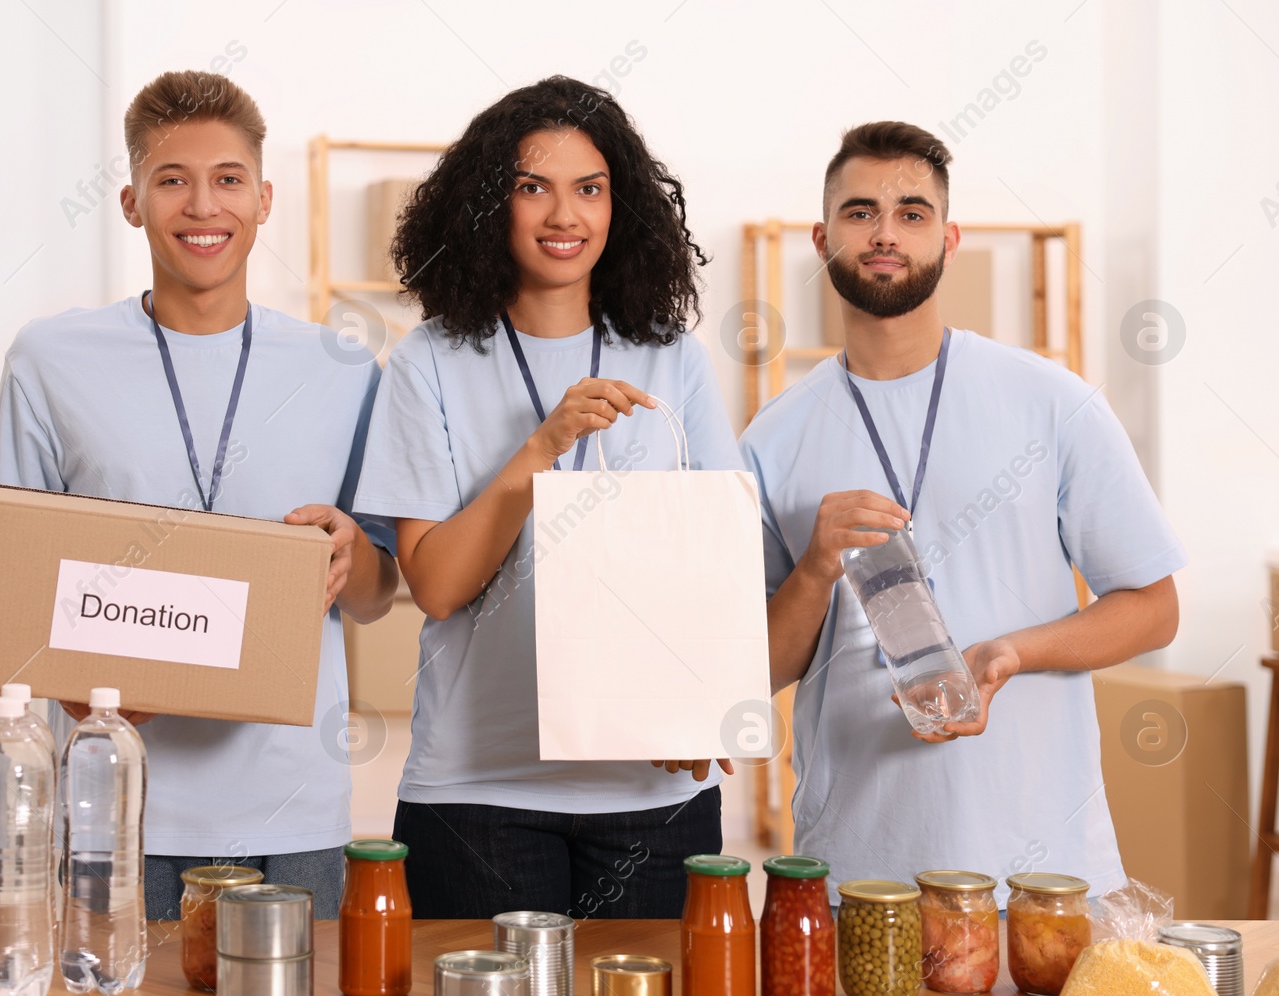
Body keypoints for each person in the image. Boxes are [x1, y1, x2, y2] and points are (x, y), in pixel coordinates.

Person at [0, 71, 397, 920]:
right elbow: (9, 585)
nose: (203, 206)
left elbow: (380, 590)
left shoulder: (344, 368)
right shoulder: (50, 358)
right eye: (172, 180)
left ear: (265, 197)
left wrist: (353, 557)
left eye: (228, 179)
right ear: (132, 201)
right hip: (111, 803)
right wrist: (68, 683)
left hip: (293, 805)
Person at [741, 121, 1184, 906]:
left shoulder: (1052, 402)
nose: (885, 233)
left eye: (911, 213)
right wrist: (815, 566)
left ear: (948, 239)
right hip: (859, 872)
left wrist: (1015, 649)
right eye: (860, 213)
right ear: (821, 237)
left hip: (1041, 869)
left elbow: (1153, 609)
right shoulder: (773, 438)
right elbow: (757, 667)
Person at [353, 76, 742, 920]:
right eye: (534, 188)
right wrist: (540, 449)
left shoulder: (672, 357)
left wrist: (707, 705)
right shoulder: (431, 361)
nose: (565, 215)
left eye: (590, 189)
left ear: (621, 207)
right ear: (491, 205)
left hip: (651, 787)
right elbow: (437, 586)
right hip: (476, 787)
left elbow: (714, 565)